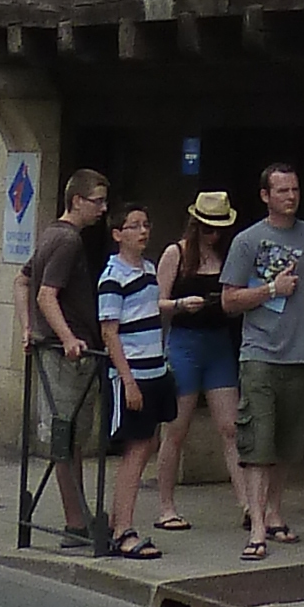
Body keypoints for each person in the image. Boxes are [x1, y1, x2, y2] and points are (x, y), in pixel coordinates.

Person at [220, 163, 304, 561]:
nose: (290, 196)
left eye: (295, 189)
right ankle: (255, 527)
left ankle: (274, 513)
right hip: (261, 354)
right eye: (282, 190)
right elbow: (229, 300)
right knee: (258, 442)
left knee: (288, 443)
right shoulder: (247, 241)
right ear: (265, 196)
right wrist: (272, 288)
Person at [24, 165, 114, 549]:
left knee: (70, 438)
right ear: (77, 201)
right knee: (66, 436)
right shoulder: (68, 241)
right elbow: (46, 293)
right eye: (97, 201)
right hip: (66, 357)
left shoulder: (51, 234)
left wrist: (27, 328)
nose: (103, 209)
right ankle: (75, 522)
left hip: (56, 349)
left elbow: (21, 279)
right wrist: (69, 338)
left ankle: (78, 518)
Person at [152, 188, 245, 533]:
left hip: (219, 343)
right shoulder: (176, 253)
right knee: (176, 429)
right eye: (207, 228)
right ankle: (165, 506)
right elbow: (155, 302)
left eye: (219, 228)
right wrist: (180, 304)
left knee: (231, 427)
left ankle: (247, 502)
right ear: (195, 225)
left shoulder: (229, 255)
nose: (213, 234)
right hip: (185, 342)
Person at [96, 204, 174, 561]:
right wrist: (127, 381)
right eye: (134, 226)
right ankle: (123, 529)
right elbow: (109, 332)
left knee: (148, 443)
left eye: (146, 224)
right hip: (133, 374)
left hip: (155, 369)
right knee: (136, 449)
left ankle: (118, 519)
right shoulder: (112, 277)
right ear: (118, 234)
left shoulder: (150, 269)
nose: (142, 232)